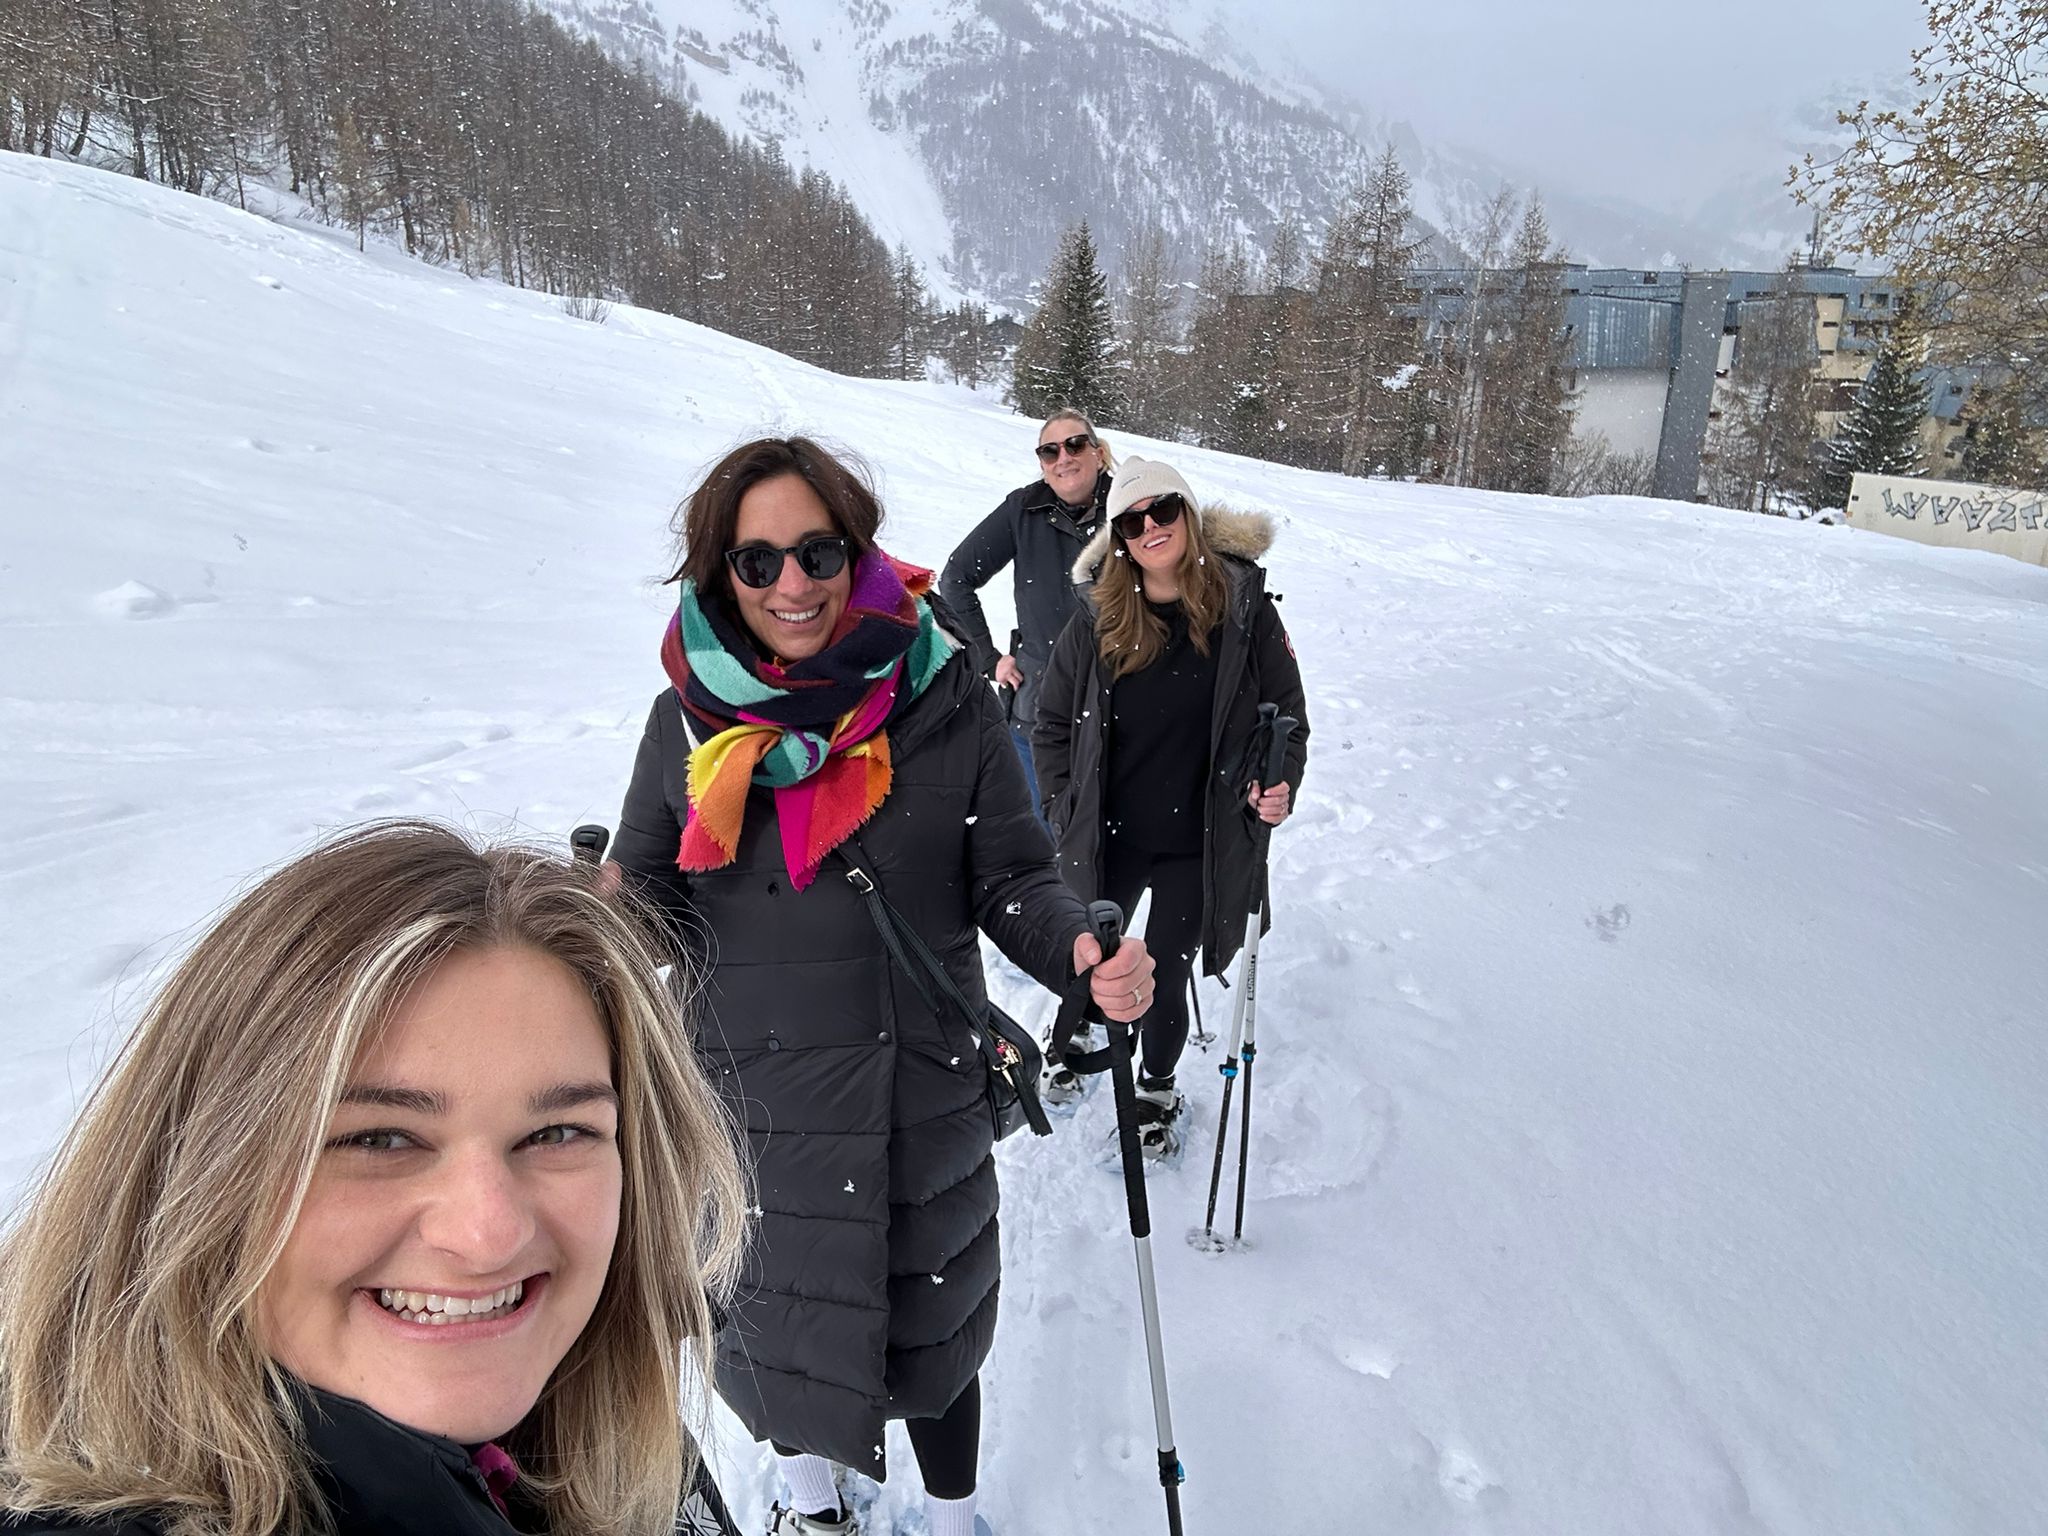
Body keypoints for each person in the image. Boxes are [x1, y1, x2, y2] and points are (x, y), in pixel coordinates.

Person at [605, 437, 1154, 1536]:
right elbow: (654, 901)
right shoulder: (685, 722)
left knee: (937, 1336)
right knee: (774, 1338)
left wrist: (1078, 953)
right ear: (720, 575)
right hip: (748, 1105)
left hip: (916, 1087)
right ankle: (814, 1513)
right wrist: (608, 911)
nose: (791, 584)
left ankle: (951, 1521)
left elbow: (1011, 874)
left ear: (855, 550)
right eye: (756, 563)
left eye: (816, 551)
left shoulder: (942, 695)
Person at [0, 820, 750, 1536]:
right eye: (380, 1138)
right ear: (196, 1168)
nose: (488, 1235)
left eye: (557, 1133)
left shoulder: (598, 1432)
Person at [1034, 455, 1310, 1159]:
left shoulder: (1244, 615)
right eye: (1132, 520)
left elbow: (1290, 719)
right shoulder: (1097, 621)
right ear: (1119, 536)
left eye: (1163, 511)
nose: (1150, 527)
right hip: (1109, 835)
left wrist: (1275, 787)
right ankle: (1071, 1043)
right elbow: (1052, 726)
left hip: (1204, 839)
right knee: (1090, 951)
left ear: (1188, 515)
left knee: (1165, 961)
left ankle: (1156, 1087)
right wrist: (1064, 806)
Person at [939, 409, 1114, 807]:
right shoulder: (1024, 509)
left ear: (1098, 453)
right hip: (1038, 712)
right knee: (1046, 844)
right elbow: (956, 579)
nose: (1063, 457)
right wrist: (988, 658)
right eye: (1049, 451)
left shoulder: (1129, 510)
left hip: (1118, 713)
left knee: (1113, 848)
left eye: (1075, 445)